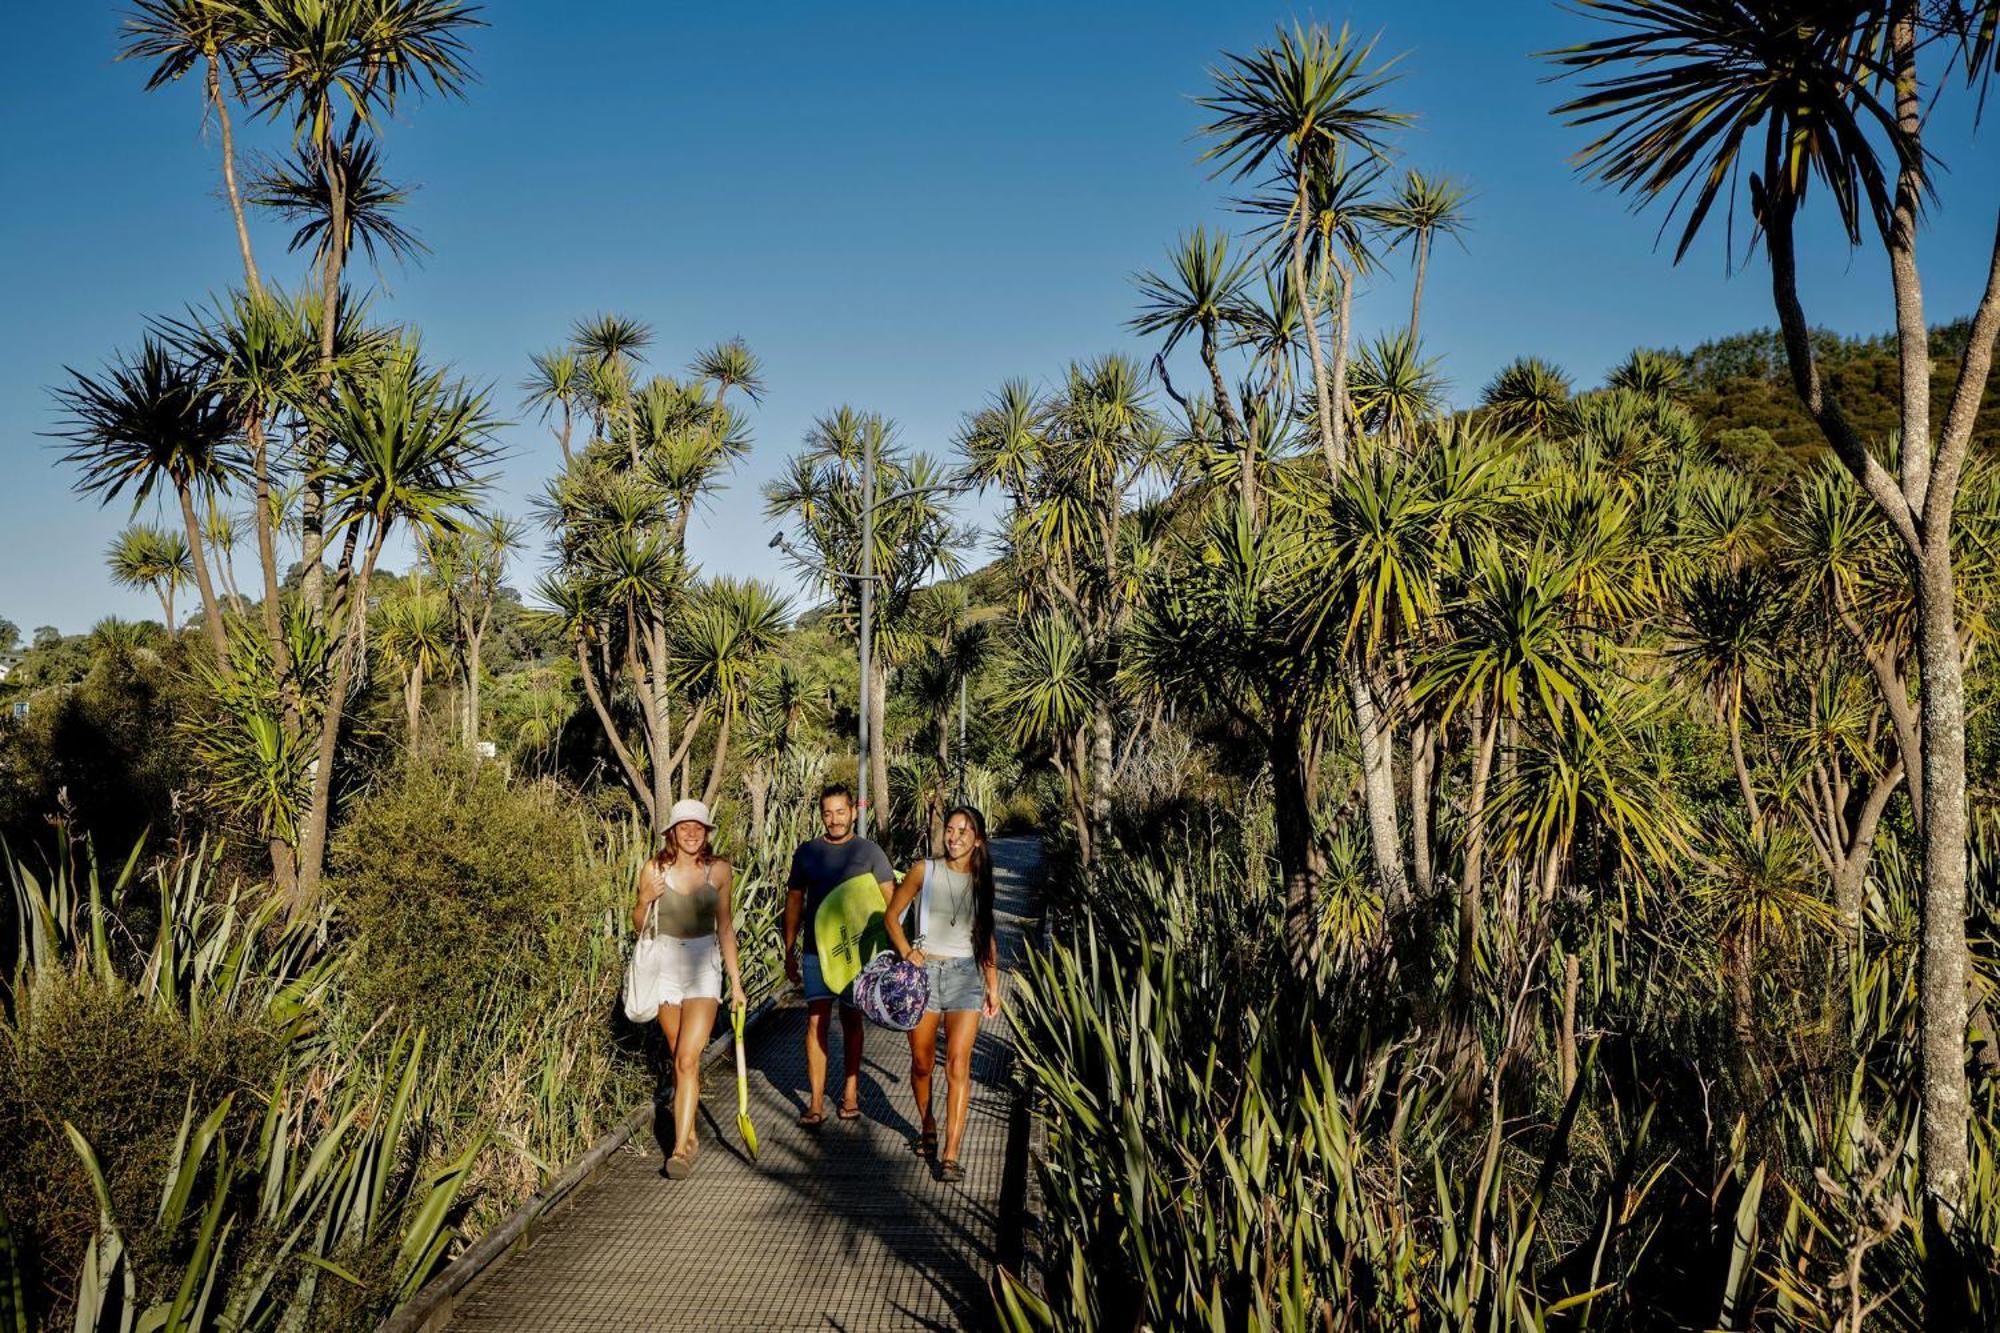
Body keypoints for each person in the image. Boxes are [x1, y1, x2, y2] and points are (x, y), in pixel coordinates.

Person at [882, 805, 1000, 1182]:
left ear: (978, 839)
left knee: (957, 1065)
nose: (954, 837)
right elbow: (891, 916)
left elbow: (986, 934)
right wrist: (907, 951)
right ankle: (928, 1123)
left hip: (966, 975)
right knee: (921, 1062)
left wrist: (992, 985)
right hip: (924, 973)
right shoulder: (924, 871)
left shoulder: (982, 878)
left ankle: (950, 1152)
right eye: (950, 829)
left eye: (964, 831)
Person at [632, 797, 746, 1180]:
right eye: (685, 827)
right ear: (673, 833)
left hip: (703, 966)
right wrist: (645, 899)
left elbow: (726, 928)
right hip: (664, 965)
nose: (692, 833)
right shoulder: (654, 868)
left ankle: (679, 1150)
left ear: (707, 832)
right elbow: (638, 923)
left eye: (698, 827)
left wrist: (737, 984)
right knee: (681, 1058)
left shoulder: (719, 871)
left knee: (686, 1059)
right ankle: (690, 1130)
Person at [783, 783, 895, 1126]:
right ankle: (816, 1103)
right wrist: (789, 949)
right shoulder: (807, 853)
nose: (834, 819)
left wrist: (894, 953)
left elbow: (892, 905)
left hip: (857, 958)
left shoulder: (870, 852)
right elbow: (794, 903)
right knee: (816, 1020)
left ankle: (849, 1093)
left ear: (854, 812)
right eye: (827, 813)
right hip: (817, 953)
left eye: (840, 812)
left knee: (851, 1020)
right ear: (822, 815)